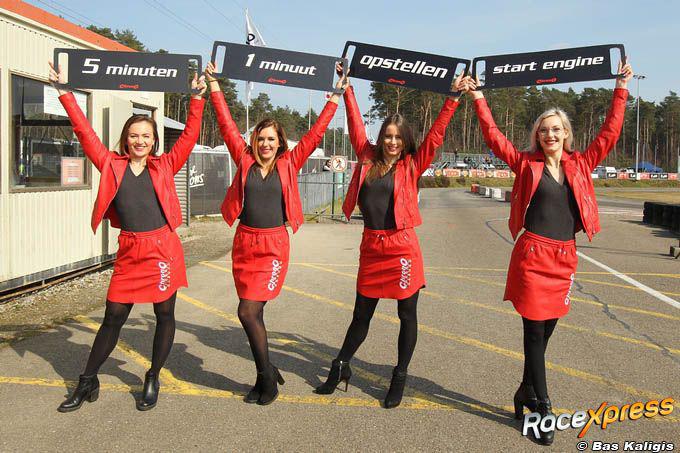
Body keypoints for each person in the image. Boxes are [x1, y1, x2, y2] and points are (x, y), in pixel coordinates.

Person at [464, 60, 633, 445]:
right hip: (532, 256)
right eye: (544, 130)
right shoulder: (526, 164)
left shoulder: (581, 164)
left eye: (556, 129)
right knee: (534, 333)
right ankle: (542, 407)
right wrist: (478, 98)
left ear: (566, 133)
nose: (550, 134)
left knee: (547, 331)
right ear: (537, 136)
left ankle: (525, 389)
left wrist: (621, 88)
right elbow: (494, 137)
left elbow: (610, 132)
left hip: (564, 257)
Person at [50, 62, 207, 412]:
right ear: (126, 139)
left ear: (154, 141)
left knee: (164, 314)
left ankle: (153, 375)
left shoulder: (164, 165)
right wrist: (64, 93)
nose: (140, 141)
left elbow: (189, 137)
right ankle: (88, 380)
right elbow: (85, 133)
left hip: (163, 250)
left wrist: (197, 98)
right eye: (134, 135)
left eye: (146, 136)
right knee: (113, 316)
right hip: (130, 250)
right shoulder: (111, 164)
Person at [315, 67, 467, 408]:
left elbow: (436, 137)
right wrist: (348, 89)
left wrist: (453, 98)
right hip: (372, 246)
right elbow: (356, 124)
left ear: (405, 140)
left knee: (407, 315)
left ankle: (400, 375)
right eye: (388, 136)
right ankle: (340, 365)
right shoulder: (366, 158)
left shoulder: (412, 164)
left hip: (402, 248)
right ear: (381, 137)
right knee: (361, 315)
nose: (393, 142)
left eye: (398, 137)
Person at [206, 62, 348, 405]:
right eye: (261, 138)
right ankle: (265, 374)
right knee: (256, 314)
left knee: (247, 312)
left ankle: (267, 378)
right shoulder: (243, 159)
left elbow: (315, 135)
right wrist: (214, 86)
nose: (266, 144)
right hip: (244, 243)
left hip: (273, 247)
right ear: (253, 141)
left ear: (280, 142)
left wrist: (335, 97)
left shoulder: (289, 163)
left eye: (271, 139)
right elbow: (226, 124)